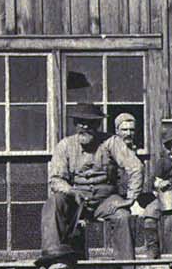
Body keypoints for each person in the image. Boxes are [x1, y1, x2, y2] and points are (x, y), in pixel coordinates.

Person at [42, 103, 143, 258]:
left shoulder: (112, 142)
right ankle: (53, 259)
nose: (85, 127)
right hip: (75, 200)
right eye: (80, 122)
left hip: (106, 200)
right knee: (54, 202)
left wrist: (130, 198)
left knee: (123, 216)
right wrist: (70, 190)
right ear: (75, 124)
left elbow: (136, 167)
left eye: (90, 123)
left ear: (97, 125)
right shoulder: (65, 145)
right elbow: (56, 179)